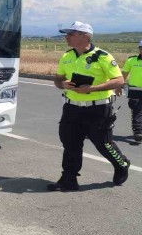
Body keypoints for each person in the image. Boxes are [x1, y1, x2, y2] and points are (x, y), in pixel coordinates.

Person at [48, 21, 130, 192]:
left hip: (98, 109)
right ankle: (68, 180)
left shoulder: (103, 56)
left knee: (103, 144)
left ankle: (121, 163)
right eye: (67, 34)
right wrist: (63, 84)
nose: (66, 37)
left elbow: (119, 80)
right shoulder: (67, 56)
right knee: (71, 144)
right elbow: (58, 79)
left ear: (84, 36)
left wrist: (91, 89)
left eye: (71, 34)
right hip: (72, 108)